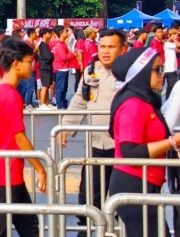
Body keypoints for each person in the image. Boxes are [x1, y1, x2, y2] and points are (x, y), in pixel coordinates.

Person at [0, 38, 46, 237]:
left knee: (28, 224)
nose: (33, 66)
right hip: (7, 168)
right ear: (16, 64)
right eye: (30, 61)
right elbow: (19, 137)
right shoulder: (11, 96)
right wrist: (40, 168)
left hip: (1, 167)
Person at [60, 29, 127, 236]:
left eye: (111, 47)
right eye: (103, 46)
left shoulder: (131, 73)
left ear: (123, 49)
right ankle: (88, 229)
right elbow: (80, 99)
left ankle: (119, 230)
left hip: (122, 147)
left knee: (122, 195)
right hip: (96, 145)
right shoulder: (91, 71)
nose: (106, 52)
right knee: (90, 192)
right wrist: (66, 126)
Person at [108, 47, 176, 237]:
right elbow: (130, 151)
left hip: (146, 180)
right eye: (157, 70)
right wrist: (172, 142)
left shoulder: (145, 100)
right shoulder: (133, 105)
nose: (162, 74)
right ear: (142, 72)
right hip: (133, 183)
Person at [51, 26, 75, 109]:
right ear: (61, 33)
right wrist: (73, 54)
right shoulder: (59, 45)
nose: (67, 33)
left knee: (64, 88)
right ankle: (60, 105)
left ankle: (63, 102)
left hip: (63, 68)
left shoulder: (62, 44)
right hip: (60, 68)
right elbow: (64, 57)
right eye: (66, 31)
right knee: (60, 88)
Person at [37, 28, 55, 109]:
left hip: (47, 67)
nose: (50, 35)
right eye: (48, 33)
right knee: (44, 86)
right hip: (44, 67)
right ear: (44, 34)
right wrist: (52, 54)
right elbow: (47, 56)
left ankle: (47, 103)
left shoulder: (45, 44)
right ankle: (42, 104)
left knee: (47, 86)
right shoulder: (43, 45)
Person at [163, 28, 180, 99]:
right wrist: (173, 38)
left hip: (173, 68)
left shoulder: (170, 44)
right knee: (171, 86)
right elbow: (179, 44)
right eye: (176, 34)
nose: (178, 36)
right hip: (170, 68)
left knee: (170, 87)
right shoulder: (167, 44)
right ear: (172, 35)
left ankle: (168, 100)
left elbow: (178, 50)